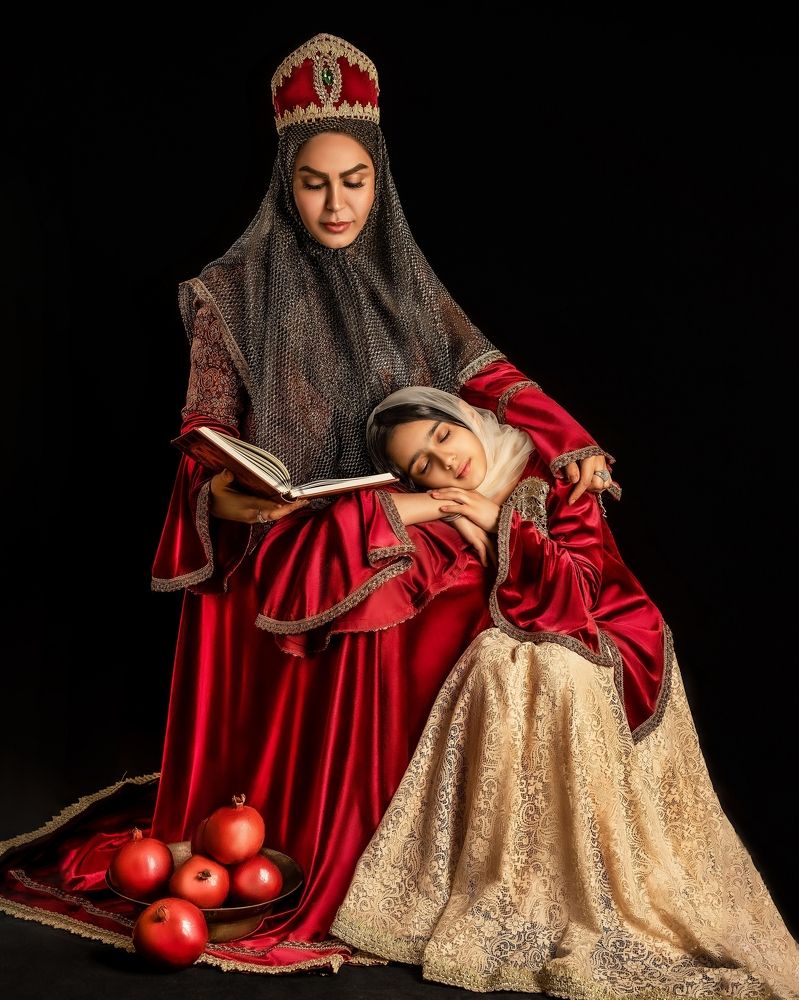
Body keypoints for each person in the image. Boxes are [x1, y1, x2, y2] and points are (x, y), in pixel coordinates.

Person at [0, 33, 629, 976]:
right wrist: (231, 495)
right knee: (372, 594)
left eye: (354, 181)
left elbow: (492, 373)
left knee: (476, 580)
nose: (336, 204)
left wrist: (573, 439)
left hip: (396, 517)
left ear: (380, 183)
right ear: (282, 185)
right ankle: (328, 849)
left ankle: (425, 857)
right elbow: (202, 434)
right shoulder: (229, 293)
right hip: (289, 530)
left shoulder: (410, 282)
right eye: (313, 183)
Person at [329, 386, 799, 998]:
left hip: (613, 629)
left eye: (443, 438)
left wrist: (497, 521)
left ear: (465, 419)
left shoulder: (555, 474)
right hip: (539, 631)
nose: (446, 466)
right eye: (423, 467)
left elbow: (578, 591)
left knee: (547, 669)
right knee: (497, 659)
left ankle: (592, 890)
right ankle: (516, 881)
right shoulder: (449, 505)